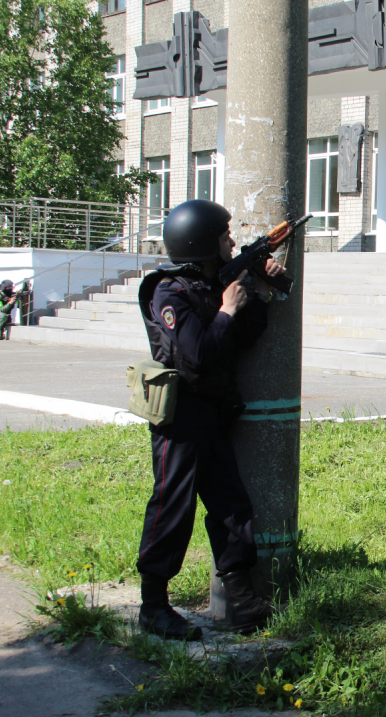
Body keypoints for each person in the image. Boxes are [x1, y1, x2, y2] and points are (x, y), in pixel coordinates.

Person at [135, 199, 287, 640]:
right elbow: (196, 358)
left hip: (212, 412)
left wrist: (257, 289)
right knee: (172, 507)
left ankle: (241, 600)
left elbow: (243, 338)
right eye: (224, 236)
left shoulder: (212, 283)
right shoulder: (170, 292)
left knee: (230, 505)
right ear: (202, 242)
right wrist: (225, 310)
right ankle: (153, 606)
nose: (232, 241)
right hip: (180, 417)